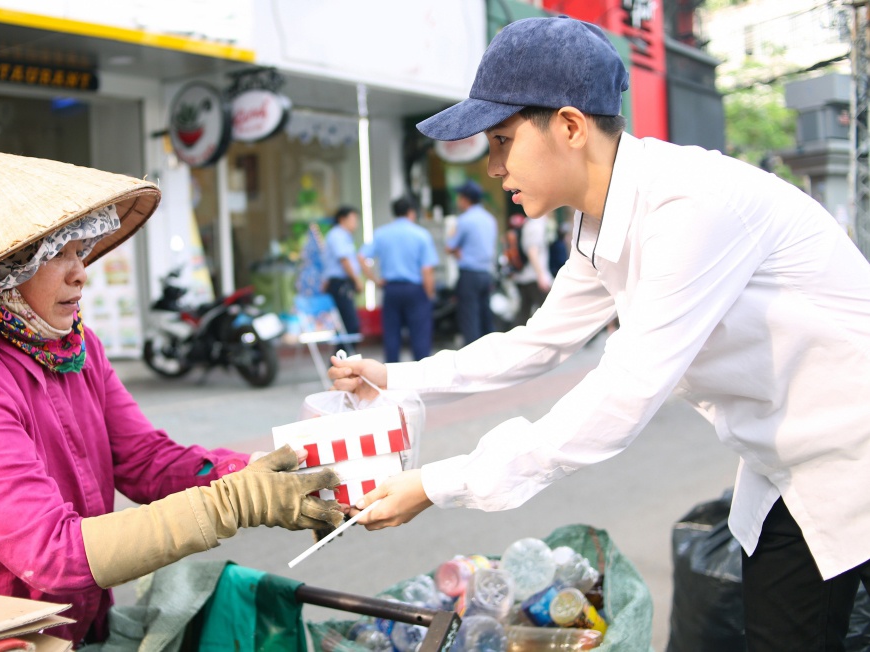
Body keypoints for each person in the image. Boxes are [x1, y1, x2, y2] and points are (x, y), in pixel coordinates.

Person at [329, 16, 870, 652]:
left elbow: (626, 390)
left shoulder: (688, 206)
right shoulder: (602, 222)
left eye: (502, 140)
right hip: (789, 474)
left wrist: (437, 483)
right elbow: (538, 342)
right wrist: (396, 378)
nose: (494, 167)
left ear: (569, 126)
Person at [0, 148, 344, 647]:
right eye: (57, 255)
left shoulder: (71, 347)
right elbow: (55, 554)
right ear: (2, 274)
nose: (80, 272)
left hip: (81, 625)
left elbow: (143, 459)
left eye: (80, 250)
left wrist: (258, 471)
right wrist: (233, 504)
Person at [359, 197, 438, 363]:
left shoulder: (382, 233)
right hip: (415, 289)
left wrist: (375, 280)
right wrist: (429, 293)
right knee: (420, 335)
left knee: (392, 335)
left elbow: (361, 257)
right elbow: (427, 269)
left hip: (391, 289)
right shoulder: (421, 234)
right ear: (412, 212)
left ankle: (390, 378)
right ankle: (422, 376)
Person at [446, 179, 498, 344]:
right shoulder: (490, 219)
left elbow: (450, 246)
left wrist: (455, 246)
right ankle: (490, 354)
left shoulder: (464, 220)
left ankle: (473, 360)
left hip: (469, 274)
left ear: (465, 199)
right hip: (486, 273)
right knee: (485, 316)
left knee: (469, 318)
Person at [323, 205, 365, 346]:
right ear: (342, 219)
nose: (356, 224)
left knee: (346, 326)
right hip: (339, 284)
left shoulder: (344, 236)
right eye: (353, 220)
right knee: (349, 325)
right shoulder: (337, 235)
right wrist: (357, 280)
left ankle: (341, 361)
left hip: (342, 283)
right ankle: (341, 362)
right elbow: (344, 260)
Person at [511, 211, 553, 325]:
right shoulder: (536, 225)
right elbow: (532, 251)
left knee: (524, 311)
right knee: (550, 310)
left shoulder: (532, 223)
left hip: (527, 275)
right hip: (533, 276)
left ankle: (515, 339)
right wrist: (541, 275)